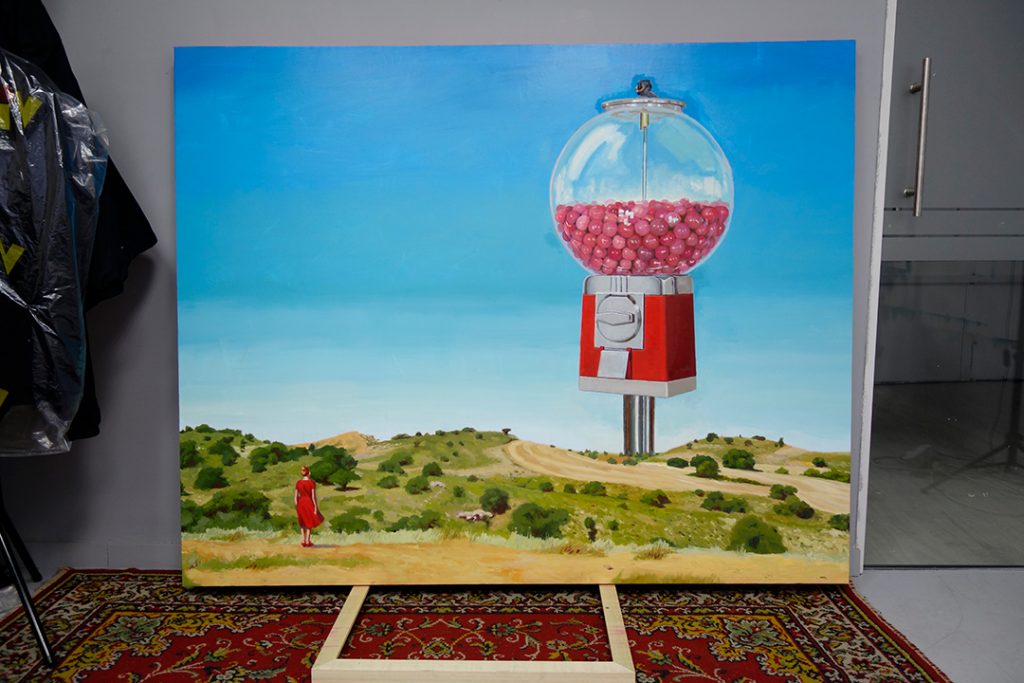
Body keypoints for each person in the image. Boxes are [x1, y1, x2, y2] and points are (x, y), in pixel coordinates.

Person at [294, 465, 323, 547]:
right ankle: (307, 541)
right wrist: (315, 507)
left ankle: (303, 540)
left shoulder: (298, 483)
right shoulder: (311, 483)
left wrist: (297, 505)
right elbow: (313, 496)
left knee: (302, 521)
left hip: (301, 503)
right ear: (309, 472)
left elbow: (295, 496)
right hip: (308, 502)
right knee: (308, 522)